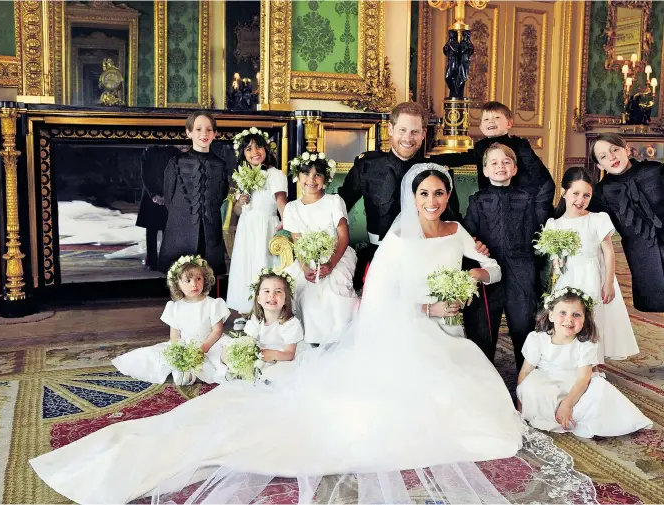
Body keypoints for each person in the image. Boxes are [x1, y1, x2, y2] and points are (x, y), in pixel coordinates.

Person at [29, 164, 594, 505]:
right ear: (411, 199)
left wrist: (471, 276)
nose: (433, 202)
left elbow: (490, 268)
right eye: (424, 196)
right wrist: (425, 304)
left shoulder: (456, 229)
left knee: (477, 395)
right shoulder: (397, 241)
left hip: (445, 330)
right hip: (405, 332)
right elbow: (380, 298)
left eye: (439, 195)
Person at [338, 101, 461, 289]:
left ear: (423, 134)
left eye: (414, 132)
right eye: (402, 130)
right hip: (378, 256)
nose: (408, 138)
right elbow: (340, 205)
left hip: (425, 257)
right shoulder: (367, 166)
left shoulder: (437, 172)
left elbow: (453, 219)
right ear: (390, 129)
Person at [462, 144, 553, 369]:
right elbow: (467, 234)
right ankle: (483, 376)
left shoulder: (528, 199)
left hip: (521, 270)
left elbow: (539, 232)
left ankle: (527, 376)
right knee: (482, 328)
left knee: (524, 325)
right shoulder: (477, 200)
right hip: (489, 271)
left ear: (514, 169)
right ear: (484, 171)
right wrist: (475, 244)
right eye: (493, 162)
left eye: (506, 162)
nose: (500, 166)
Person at [517, 287, 651, 438]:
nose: (569, 319)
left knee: (600, 387)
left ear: (585, 319)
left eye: (576, 315)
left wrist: (567, 404)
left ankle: (569, 413)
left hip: (576, 386)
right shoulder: (537, 339)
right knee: (530, 385)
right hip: (546, 384)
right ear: (551, 315)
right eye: (563, 313)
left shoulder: (585, 345)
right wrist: (521, 403)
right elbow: (525, 372)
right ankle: (549, 414)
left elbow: (583, 379)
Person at [543, 166, 638, 363]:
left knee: (593, 318)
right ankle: (572, 361)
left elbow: (608, 251)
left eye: (586, 195)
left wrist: (609, 282)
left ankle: (593, 365)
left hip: (594, 274)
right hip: (568, 278)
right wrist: (556, 261)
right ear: (563, 192)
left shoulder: (597, 219)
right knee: (569, 318)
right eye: (575, 193)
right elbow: (554, 258)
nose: (580, 200)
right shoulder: (554, 224)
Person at [112, 256, 230, 386]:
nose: (194, 284)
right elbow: (175, 334)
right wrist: (179, 350)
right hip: (186, 345)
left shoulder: (213, 304)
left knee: (224, 356)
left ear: (205, 279)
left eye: (198, 279)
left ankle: (200, 373)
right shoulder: (175, 307)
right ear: (177, 284)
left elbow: (217, 330)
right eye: (187, 280)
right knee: (158, 357)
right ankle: (186, 373)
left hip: (210, 344)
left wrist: (204, 347)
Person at [284, 154, 359, 344]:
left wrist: (331, 264)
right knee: (303, 288)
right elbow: (297, 242)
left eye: (318, 175)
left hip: (336, 255)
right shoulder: (291, 208)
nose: (311, 180)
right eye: (306, 174)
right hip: (307, 257)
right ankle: (311, 338)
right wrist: (304, 267)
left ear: (326, 179)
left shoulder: (334, 201)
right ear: (298, 177)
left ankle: (339, 336)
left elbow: (343, 237)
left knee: (333, 288)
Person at [591, 133, 664, 312]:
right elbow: (589, 224)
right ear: (600, 165)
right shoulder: (601, 193)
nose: (612, 157)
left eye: (614, 149)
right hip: (642, 258)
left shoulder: (655, 170)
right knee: (654, 304)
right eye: (603, 156)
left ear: (626, 148)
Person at [436, 101, 555, 207]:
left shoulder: (520, 144)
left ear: (509, 123)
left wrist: (532, 200)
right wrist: (430, 160)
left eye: (497, 117)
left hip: (519, 200)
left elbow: (538, 173)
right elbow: (460, 159)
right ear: (481, 126)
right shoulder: (481, 146)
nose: (491, 121)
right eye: (486, 119)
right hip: (490, 201)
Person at [158, 111, 229, 274]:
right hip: (180, 231)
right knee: (181, 277)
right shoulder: (175, 163)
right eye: (198, 129)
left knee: (208, 277)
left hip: (210, 233)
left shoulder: (220, 165)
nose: (204, 133)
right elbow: (169, 199)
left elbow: (222, 197)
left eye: (209, 129)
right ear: (188, 132)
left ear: (215, 134)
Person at [226, 128, 287, 314]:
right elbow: (237, 210)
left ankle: (265, 310)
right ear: (243, 154)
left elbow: (281, 203)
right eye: (249, 149)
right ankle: (246, 310)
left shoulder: (274, 174)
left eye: (259, 147)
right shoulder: (241, 176)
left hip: (264, 226)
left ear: (266, 150)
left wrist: (286, 227)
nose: (255, 152)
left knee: (263, 264)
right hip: (247, 227)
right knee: (246, 266)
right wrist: (239, 202)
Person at [239, 268, 305, 381]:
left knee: (273, 375)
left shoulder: (290, 324)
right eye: (266, 291)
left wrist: (272, 355)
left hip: (283, 359)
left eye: (278, 291)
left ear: (285, 299)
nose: (272, 296)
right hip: (263, 356)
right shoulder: (256, 320)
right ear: (258, 298)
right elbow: (249, 342)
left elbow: (290, 354)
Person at [135, 145, 178, 270]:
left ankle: (166, 261)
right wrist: (153, 194)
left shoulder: (173, 152)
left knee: (168, 231)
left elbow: (176, 174)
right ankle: (152, 262)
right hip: (151, 196)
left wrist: (168, 195)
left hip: (169, 196)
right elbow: (145, 175)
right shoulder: (149, 152)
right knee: (151, 231)